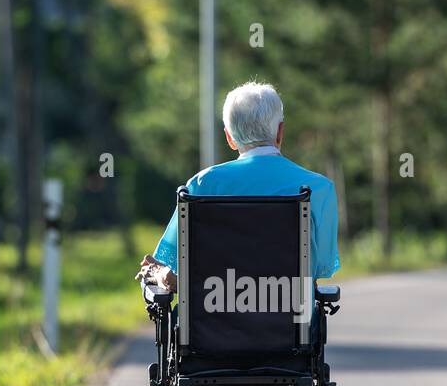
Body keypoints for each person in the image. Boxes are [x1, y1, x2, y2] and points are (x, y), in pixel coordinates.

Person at [135, 81, 339, 291]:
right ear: (280, 132)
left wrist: (158, 272)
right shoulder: (319, 189)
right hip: (291, 319)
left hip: (213, 318)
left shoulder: (202, 186)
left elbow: (174, 268)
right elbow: (320, 268)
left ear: (229, 138)